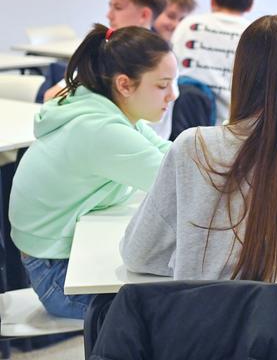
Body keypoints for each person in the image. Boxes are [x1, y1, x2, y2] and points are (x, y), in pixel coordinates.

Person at [120, 15, 277, 359]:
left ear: (242, 74)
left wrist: (198, 261)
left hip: (202, 347)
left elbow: (139, 254)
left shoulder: (194, 147)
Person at [9, 25, 177, 319]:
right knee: (170, 313)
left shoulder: (102, 106)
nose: (174, 95)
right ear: (125, 85)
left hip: (56, 258)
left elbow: (172, 157)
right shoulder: (101, 129)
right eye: (163, 85)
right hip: (57, 277)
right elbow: (177, 182)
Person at [42, 0, 168, 102]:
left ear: (144, 15)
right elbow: (52, 96)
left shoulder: (152, 61)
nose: (109, 15)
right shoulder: (110, 50)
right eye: (110, 6)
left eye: (118, 7)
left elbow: (51, 97)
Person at [171, 0, 256, 125]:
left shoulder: (187, 25)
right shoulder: (255, 33)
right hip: (236, 129)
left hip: (185, 125)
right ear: (250, 4)